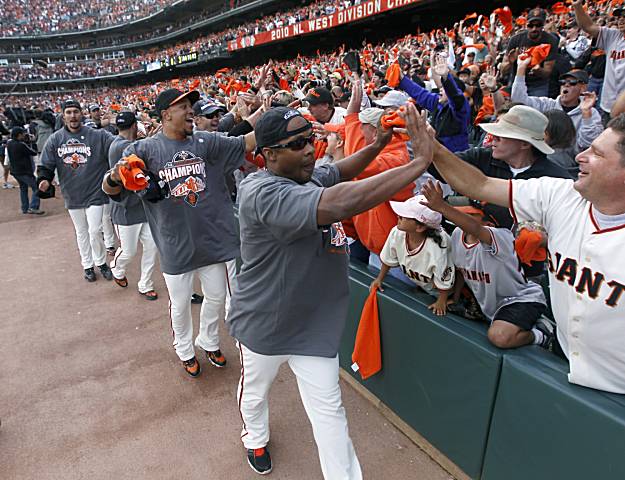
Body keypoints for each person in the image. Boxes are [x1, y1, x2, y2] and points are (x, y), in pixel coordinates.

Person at [227, 104, 434, 477]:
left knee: (330, 412)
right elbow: (342, 200)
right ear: (269, 154)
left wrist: (376, 146)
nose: (309, 149)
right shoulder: (261, 191)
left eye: (310, 140)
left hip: (310, 326)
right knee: (255, 393)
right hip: (263, 323)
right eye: (297, 144)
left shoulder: (303, 175)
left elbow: (338, 170)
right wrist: (417, 164)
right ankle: (254, 436)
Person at [426, 112, 625, 394]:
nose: (580, 156)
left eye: (597, 154)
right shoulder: (563, 194)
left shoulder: (553, 174)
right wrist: (431, 146)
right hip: (565, 354)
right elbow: (478, 185)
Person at [103, 88, 256, 377]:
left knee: (216, 297)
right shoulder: (143, 150)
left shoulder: (205, 141)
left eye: (191, 107)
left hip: (212, 240)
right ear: (165, 115)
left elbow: (245, 143)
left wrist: (267, 118)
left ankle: (209, 340)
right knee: (181, 303)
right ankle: (185, 349)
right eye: (184, 107)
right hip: (175, 243)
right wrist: (116, 175)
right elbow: (110, 188)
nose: (191, 112)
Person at [420, 180, 551, 349]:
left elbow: (475, 228)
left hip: (520, 299)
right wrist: (456, 297)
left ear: (489, 224)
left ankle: (542, 334)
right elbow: (461, 270)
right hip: (491, 304)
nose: (462, 215)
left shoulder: (501, 237)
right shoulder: (458, 234)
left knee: (499, 337)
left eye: (471, 214)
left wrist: (443, 208)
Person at [37, 99, 115, 282]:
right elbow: (46, 164)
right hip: (72, 194)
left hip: (96, 192)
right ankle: (87, 265)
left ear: (82, 114)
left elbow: (118, 146)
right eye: (69, 112)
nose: (73, 116)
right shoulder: (55, 139)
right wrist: (44, 179)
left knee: (95, 230)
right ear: (63, 116)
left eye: (76, 112)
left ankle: (101, 262)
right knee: (81, 232)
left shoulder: (96, 135)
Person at [370, 195, 455, 316]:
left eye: (403, 217)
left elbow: (445, 280)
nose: (398, 217)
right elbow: (388, 259)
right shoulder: (397, 232)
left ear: (420, 227)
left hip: (445, 292)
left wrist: (441, 301)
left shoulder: (438, 246)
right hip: (421, 285)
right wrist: (379, 279)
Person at [107, 111, 158, 300]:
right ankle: (117, 268)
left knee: (152, 247)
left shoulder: (127, 143)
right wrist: (153, 137)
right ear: (135, 126)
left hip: (143, 207)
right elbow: (136, 154)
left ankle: (145, 284)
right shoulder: (119, 146)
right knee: (128, 251)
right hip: (125, 209)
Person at [511, 62, 603, 151]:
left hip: (570, 161)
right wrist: (521, 68)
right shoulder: (547, 104)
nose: (566, 85)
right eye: (563, 82)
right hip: (543, 156)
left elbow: (587, 145)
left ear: (582, 88)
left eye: (572, 82)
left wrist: (586, 114)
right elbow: (519, 102)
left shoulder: (591, 113)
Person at [398, 55, 471, 152]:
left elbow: (455, 96)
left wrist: (446, 77)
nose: (440, 90)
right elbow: (420, 94)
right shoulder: (438, 102)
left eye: (443, 89)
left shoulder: (461, 108)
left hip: (454, 158)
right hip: (435, 154)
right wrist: (402, 79)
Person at [574, 2, 625, 121]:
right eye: (620, 17)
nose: (621, 20)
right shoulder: (613, 36)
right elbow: (588, 27)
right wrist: (577, 5)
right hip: (608, 105)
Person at [501, 8, 559, 97]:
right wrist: (510, 62)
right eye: (531, 25)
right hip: (517, 80)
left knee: (536, 110)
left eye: (538, 25)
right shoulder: (516, 39)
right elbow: (503, 71)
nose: (534, 29)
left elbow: (547, 72)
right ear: (526, 24)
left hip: (538, 84)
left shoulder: (550, 41)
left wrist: (538, 70)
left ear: (543, 25)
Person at [6, 127, 44, 215]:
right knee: (36, 187)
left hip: (15, 171)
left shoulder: (10, 143)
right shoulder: (21, 145)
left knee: (23, 189)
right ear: (19, 135)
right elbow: (33, 152)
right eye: (23, 134)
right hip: (24, 171)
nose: (24, 135)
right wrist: (31, 142)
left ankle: (25, 208)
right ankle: (33, 207)